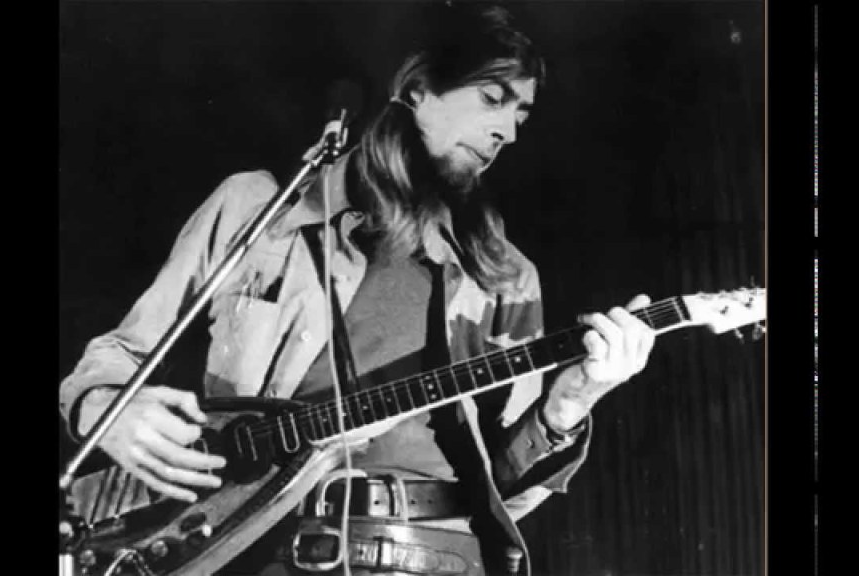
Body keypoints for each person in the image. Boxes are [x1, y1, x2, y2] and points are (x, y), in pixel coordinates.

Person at [59, 5, 656, 575]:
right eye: (492, 98)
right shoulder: (257, 209)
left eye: (521, 115)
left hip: (434, 555)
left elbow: (506, 493)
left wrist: (568, 406)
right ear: (417, 88)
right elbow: (119, 356)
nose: (508, 131)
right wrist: (109, 412)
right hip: (253, 547)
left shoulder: (505, 275)